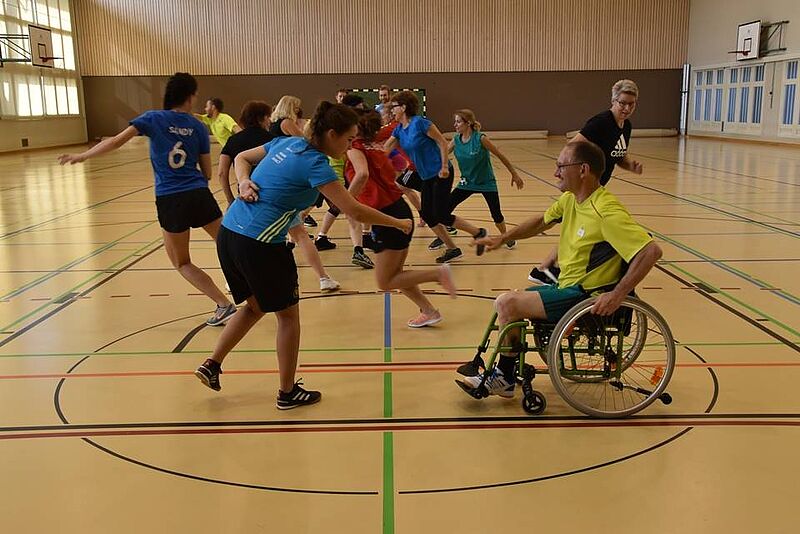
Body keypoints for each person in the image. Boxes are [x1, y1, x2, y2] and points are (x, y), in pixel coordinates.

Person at [194, 101, 413, 409]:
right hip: (259, 243)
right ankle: (287, 393)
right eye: (348, 139)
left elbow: (242, 158)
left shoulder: (288, 143)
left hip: (230, 234)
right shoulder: (315, 163)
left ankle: (212, 363)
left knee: (255, 307)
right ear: (332, 134)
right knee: (288, 318)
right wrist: (398, 222)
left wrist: (243, 180)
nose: (351, 145)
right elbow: (351, 208)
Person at [457, 141, 662, 397]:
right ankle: (506, 373)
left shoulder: (605, 211)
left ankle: (504, 377)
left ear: (583, 170)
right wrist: (503, 237)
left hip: (584, 295)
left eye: (561, 166)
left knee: (507, 303)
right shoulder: (571, 199)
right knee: (512, 299)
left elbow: (650, 251)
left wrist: (618, 294)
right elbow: (541, 222)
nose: (555, 173)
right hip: (567, 286)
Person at [58, 72, 237, 326]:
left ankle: (223, 304)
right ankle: (255, 287)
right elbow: (207, 172)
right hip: (199, 194)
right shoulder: (197, 126)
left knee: (182, 261)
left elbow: (116, 142)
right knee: (228, 244)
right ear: (189, 96)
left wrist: (83, 156)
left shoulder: (152, 118)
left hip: (170, 197)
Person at [347, 110, 457, 327]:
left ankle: (437, 273)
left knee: (385, 281)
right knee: (396, 274)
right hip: (396, 209)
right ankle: (429, 311)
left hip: (388, 215)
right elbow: (393, 171)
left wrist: (347, 199)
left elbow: (362, 174)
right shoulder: (374, 147)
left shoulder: (355, 148)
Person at [528, 79, 644, 284]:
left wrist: (630, 165)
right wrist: (567, 171)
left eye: (631, 104)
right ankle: (546, 268)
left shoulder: (625, 127)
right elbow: (573, 146)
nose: (626, 108)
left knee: (575, 227)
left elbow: (618, 155)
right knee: (571, 225)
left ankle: (544, 268)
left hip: (596, 188)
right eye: (622, 103)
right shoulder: (601, 122)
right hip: (582, 185)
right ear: (613, 100)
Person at [219, 100, 340, 292]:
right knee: (299, 236)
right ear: (262, 118)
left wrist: (233, 195)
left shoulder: (235, 140)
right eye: (267, 116)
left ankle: (237, 277)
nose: (269, 120)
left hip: (245, 203)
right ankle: (323, 277)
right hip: (274, 203)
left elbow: (223, 171)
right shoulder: (277, 138)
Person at [383, 91, 487, 263]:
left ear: (403, 107)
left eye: (394, 107)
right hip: (426, 176)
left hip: (441, 172)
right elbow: (385, 149)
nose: (392, 111)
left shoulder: (421, 123)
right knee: (428, 214)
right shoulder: (399, 129)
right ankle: (454, 249)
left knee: (440, 214)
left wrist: (445, 165)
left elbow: (442, 142)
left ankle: (478, 233)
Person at [428, 109, 524, 251]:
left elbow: (500, 155)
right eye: (455, 121)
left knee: (496, 214)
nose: (455, 125)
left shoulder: (480, 139)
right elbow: (443, 155)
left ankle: (505, 237)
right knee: (444, 209)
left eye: (458, 121)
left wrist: (514, 174)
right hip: (466, 182)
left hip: (486, 183)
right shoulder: (456, 140)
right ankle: (443, 236)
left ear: (468, 123)